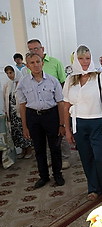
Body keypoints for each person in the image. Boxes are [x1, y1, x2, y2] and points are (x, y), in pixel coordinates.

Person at [63, 45, 102, 200]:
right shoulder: (70, 80)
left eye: (87, 58)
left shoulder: (101, 77)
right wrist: (67, 129)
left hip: (98, 123)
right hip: (79, 124)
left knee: (101, 158)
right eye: (81, 58)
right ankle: (93, 188)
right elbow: (66, 106)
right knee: (86, 157)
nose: (85, 62)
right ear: (76, 60)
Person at [16, 52, 65, 188]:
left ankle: (57, 174)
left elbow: (60, 102)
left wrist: (62, 124)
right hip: (33, 117)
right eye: (32, 63)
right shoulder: (23, 83)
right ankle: (43, 176)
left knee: (55, 147)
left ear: (42, 63)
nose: (36, 65)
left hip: (51, 116)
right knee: (39, 149)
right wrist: (24, 126)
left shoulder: (53, 81)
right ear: (27, 66)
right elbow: (22, 105)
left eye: (38, 62)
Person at [27, 39, 70, 169]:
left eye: (36, 48)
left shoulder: (55, 62)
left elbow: (63, 82)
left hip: (55, 105)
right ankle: (51, 159)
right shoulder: (29, 67)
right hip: (37, 108)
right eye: (31, 49)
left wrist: (63, 103)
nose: (34, 51)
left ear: (43, 49)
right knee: (43, 138)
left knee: (59, 132)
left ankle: (65, 158)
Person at [3, 65, 33, 159]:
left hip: (21, 112)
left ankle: (29, 149)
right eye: (7, 73)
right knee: (16, 132)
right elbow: (5, 98)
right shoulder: (8, 84)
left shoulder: (23, 82)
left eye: (11, 72)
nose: (9, 75)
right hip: (12, 113)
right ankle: (22, 149)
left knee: (24, 130)